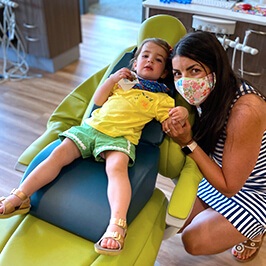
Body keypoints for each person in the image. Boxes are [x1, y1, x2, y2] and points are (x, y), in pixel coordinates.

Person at [0, 38, 188, 256]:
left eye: (158, 60)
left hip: (120, 138)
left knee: (117, 170)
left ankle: (117, 225)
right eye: (145, 56)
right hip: (90, 130)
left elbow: (171, 119)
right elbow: (98, 100)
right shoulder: (122, 82)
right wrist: (111, 79)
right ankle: (20, 197)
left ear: (164, 72)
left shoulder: (161, 98)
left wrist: (181, 113)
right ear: (134, 63)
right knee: (57, 155)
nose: (150, 61)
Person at [162, 31, 266, 263]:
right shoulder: (210, 92)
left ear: (216, 66)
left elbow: (230, 187)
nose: (185, 82)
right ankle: (230, 222)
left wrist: (188, 142)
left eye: (194, 70)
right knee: (174, 223)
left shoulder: (245, 110)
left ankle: (257, 230)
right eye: (178, 73)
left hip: (255, 189)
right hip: (220, 170)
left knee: (194, 240)